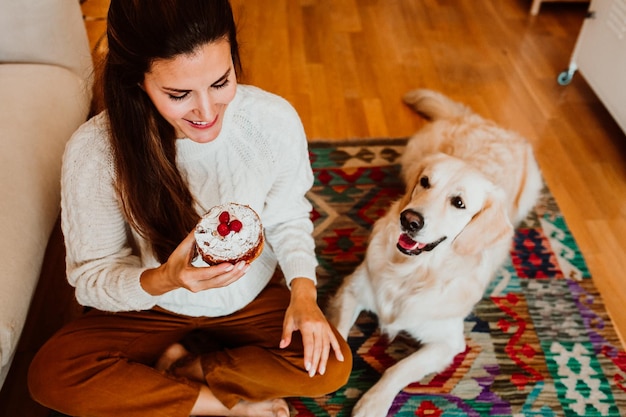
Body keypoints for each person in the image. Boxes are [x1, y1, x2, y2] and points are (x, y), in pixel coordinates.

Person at [27, 1, 352, 416]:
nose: (207, 111)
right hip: (151, 305)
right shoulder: (95, 153)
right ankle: (220, 404)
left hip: (251, 296)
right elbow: (91, 279)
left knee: (331, 367)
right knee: (52, 375)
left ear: (234, 57)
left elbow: (288, 213)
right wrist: (165, 279)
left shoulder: (270, 121)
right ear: (136, 81)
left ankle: (187, 368)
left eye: (221, 81)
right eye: (179, 94)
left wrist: (303, 293)